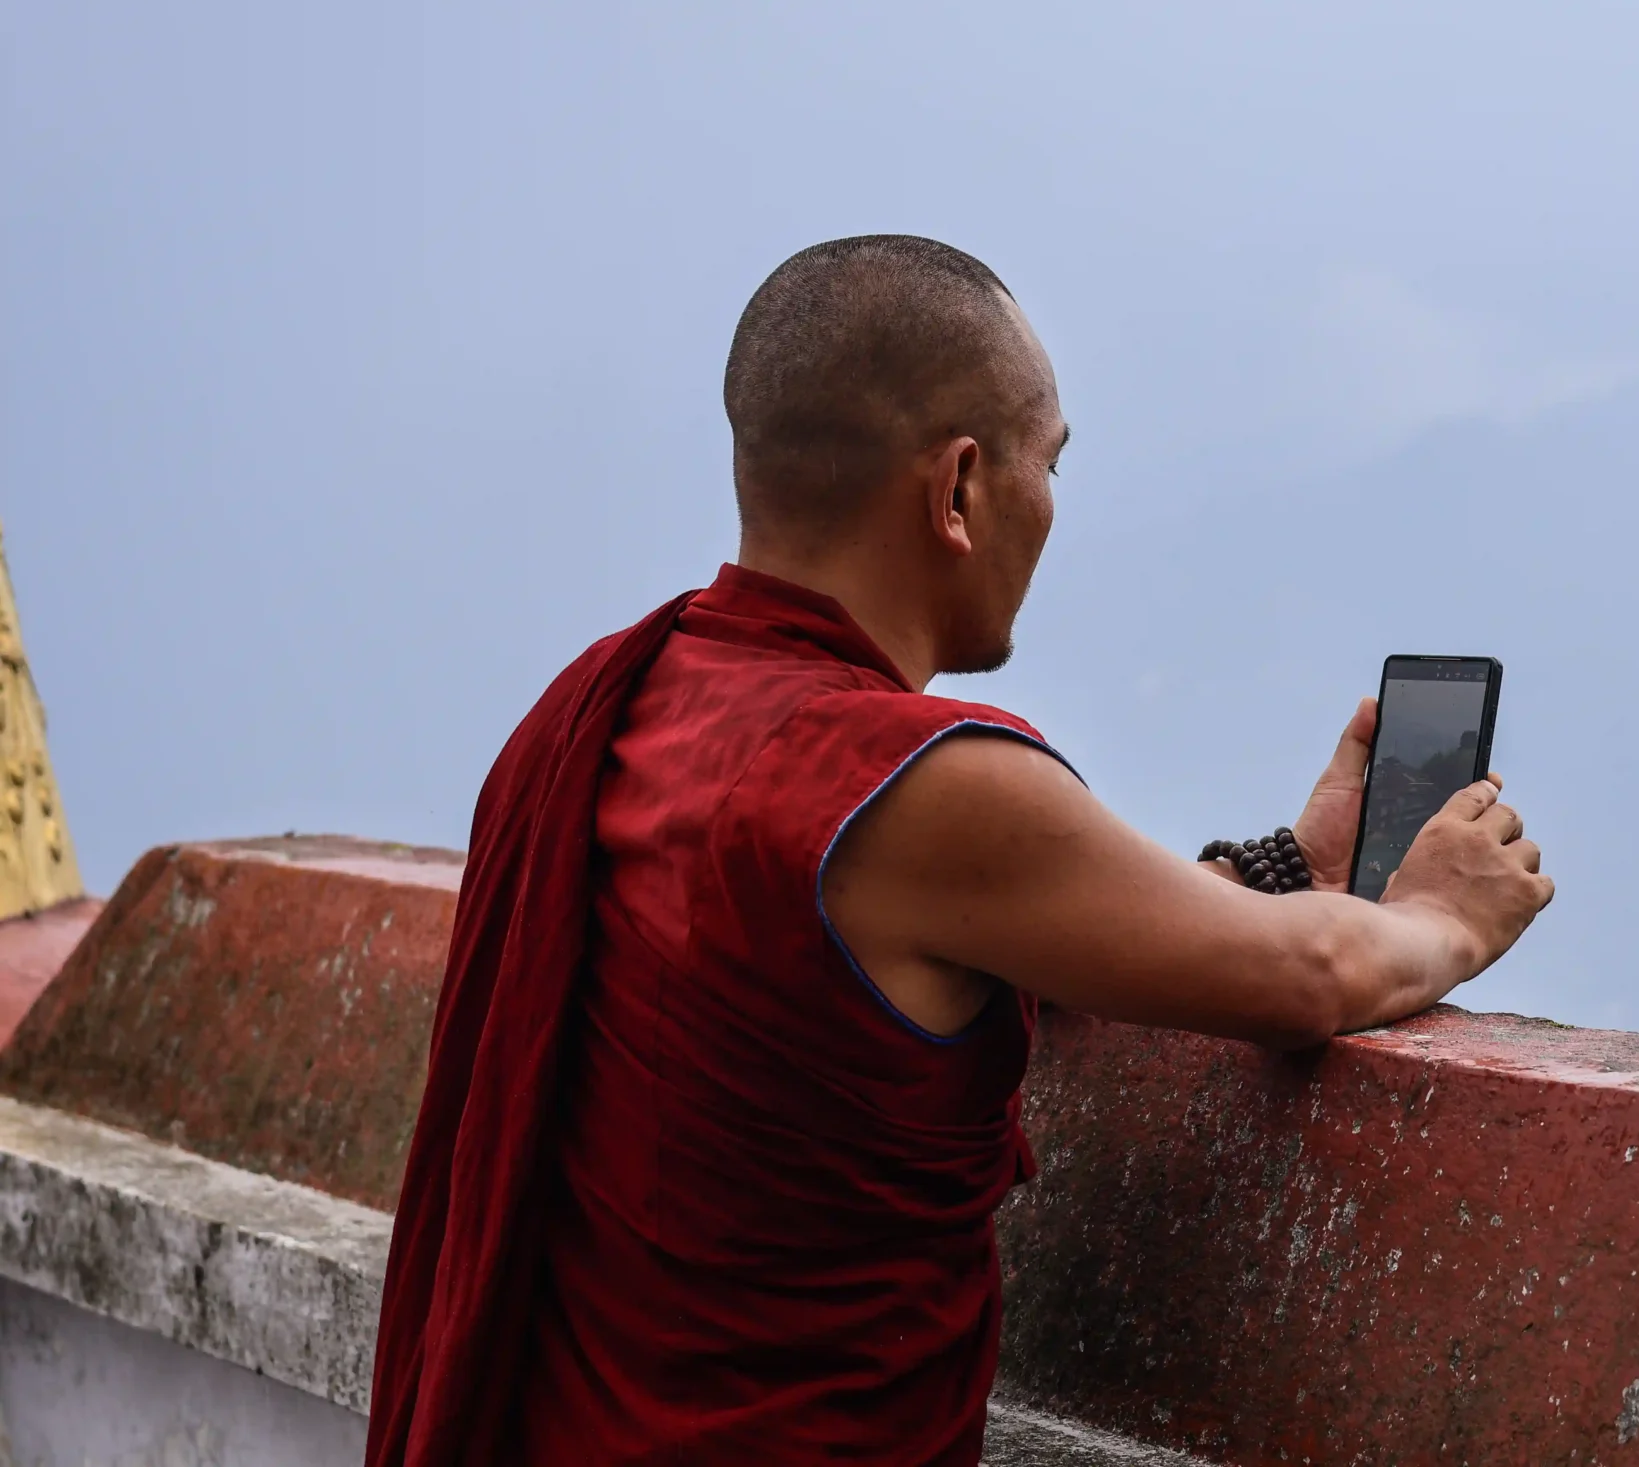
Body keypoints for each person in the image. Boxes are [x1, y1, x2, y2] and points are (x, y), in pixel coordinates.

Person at [364, 236, 1552, 1467]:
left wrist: (1286, 863)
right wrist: (1440, 918)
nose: (1050, 506)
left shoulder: (606, 711)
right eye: (1050, 463)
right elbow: (1308, 982)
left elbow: (1004, 926)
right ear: (960, 489)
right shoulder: (920, 783)